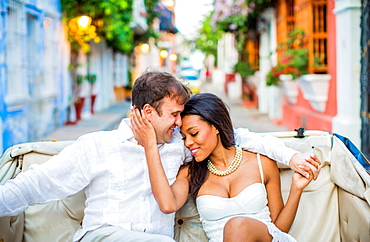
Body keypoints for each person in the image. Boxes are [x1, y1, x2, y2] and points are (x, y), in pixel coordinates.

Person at [0, 71, 319, 242]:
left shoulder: (181, 146)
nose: (182, 124)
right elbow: (34, 186)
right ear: (149, 112)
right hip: (103, 236)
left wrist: (290, 157)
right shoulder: (98, 146)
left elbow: (235, 136)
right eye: (176, 114)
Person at [130, 92, 319, 242]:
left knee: (237, 225)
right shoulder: (190, 172)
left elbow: (279, 230)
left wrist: (296, 190)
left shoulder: (262, 163)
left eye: (194, 133)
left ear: (216, 126)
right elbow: (167, 204)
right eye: (184, 137)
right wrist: (150, 146)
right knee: (235, 226)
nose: (188, 143)